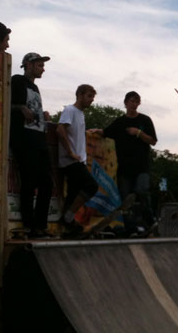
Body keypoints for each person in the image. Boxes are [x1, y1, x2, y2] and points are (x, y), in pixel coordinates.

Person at [10, 52, 54, 238]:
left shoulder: (35, 87)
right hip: (24, 139)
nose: (42, 69)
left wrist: (42, 115)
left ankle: (41, 225)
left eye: (43, 66)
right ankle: (29, 225)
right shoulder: (17, 81)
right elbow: (4, 103)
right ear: (28, 64)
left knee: (47, 183)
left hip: (39, 139)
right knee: (28, 182)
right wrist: (20, 107)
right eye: (39, 65)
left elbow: (32, 109)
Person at [103, 91, 158, 234]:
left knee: (141, 191)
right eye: (131, 101)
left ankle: (150, 220)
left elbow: (153, 141)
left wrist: (139, 133)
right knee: (125, 200)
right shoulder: (119, 122)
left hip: (141, 167)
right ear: (126, 103)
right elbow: (104, 133)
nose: (134, 104)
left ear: (139, 104)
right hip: (124, 168)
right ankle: (130, 228)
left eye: (136, 102)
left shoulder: (145, 120)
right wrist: (93, 131)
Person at [56, 84, 100, 236]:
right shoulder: (70, 110)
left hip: (78, 160)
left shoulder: (81, 114)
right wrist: (70, 152)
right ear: (80, 95)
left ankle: (67, 226)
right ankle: (68, 217)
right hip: (71, 160)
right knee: (91, 186)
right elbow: (60, 129)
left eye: (93, 97)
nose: (92, 100)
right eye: (89, 96)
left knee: (73, 194)